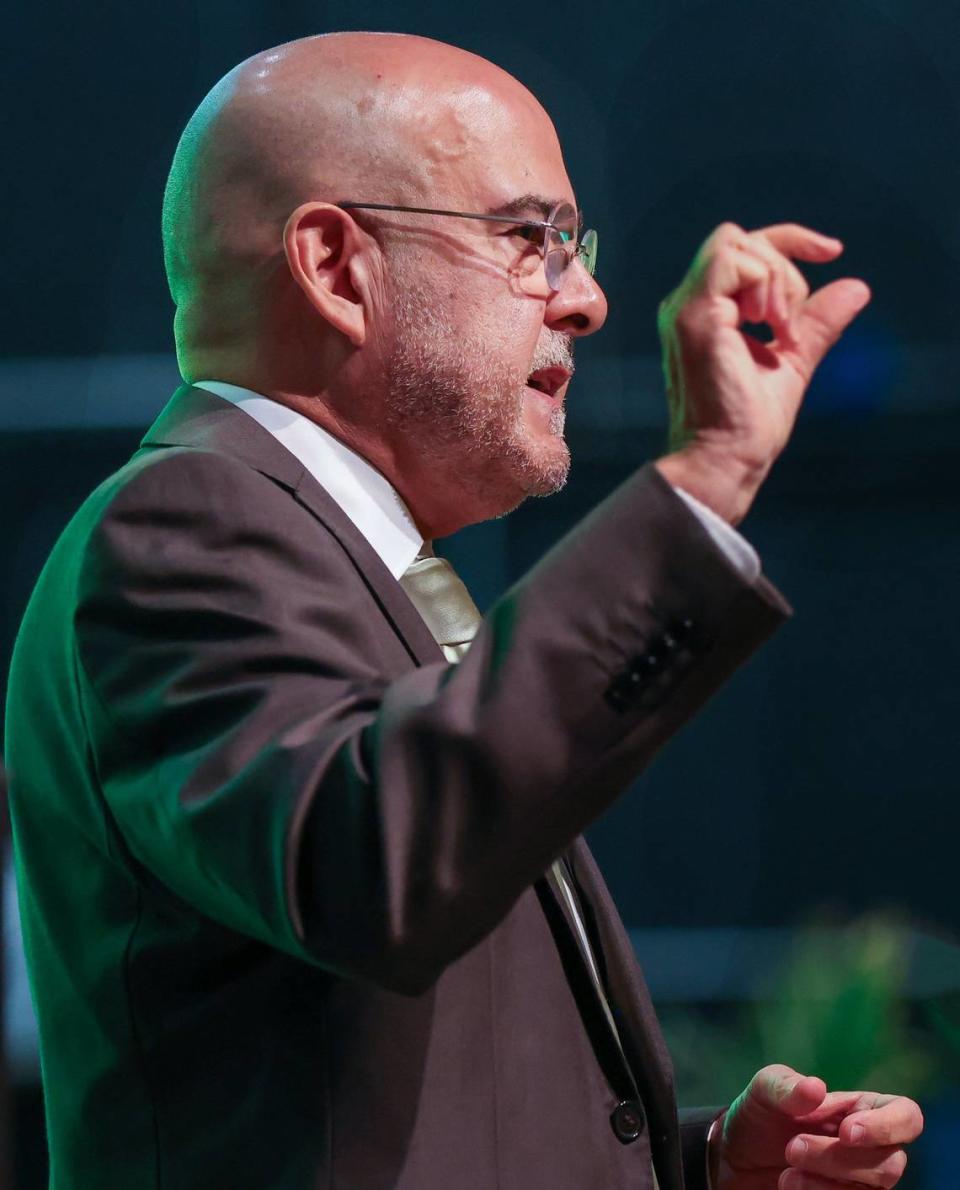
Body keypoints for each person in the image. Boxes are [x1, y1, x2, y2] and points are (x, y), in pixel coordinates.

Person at [4, 31, 922, 1190]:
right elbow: (380, 861)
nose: (585, 298)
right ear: (338, 266)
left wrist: (699, 1168)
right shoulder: (185, 521)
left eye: (574, 245)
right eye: (529, 239)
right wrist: (707, 477)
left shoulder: (346, 560)